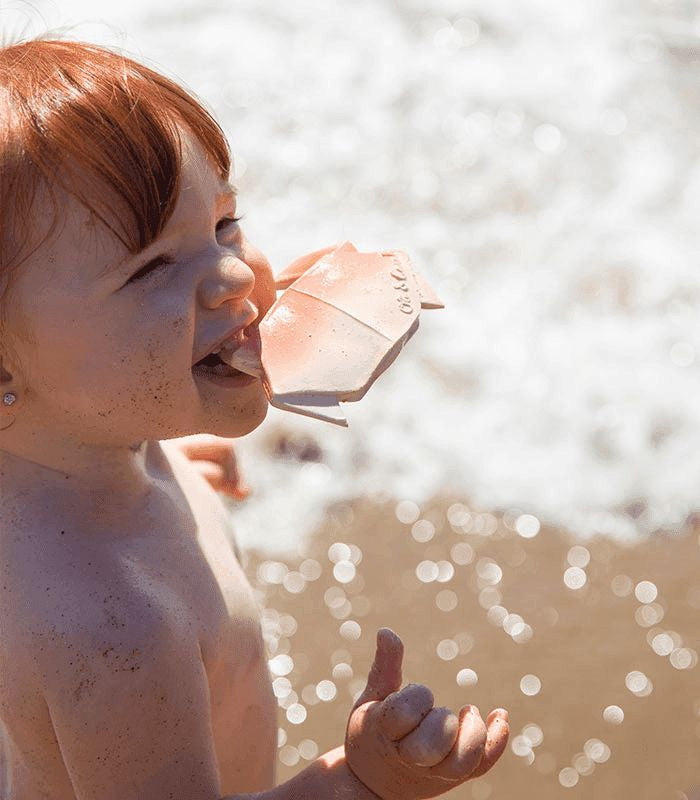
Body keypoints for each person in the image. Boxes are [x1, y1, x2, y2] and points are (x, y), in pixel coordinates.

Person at [0, 36, 509, 800]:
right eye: (153, 268)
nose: (238, 274)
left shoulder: (76, 449)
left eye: (223, 225)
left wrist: (174, 458)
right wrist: (365, 781)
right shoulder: (119, 635)